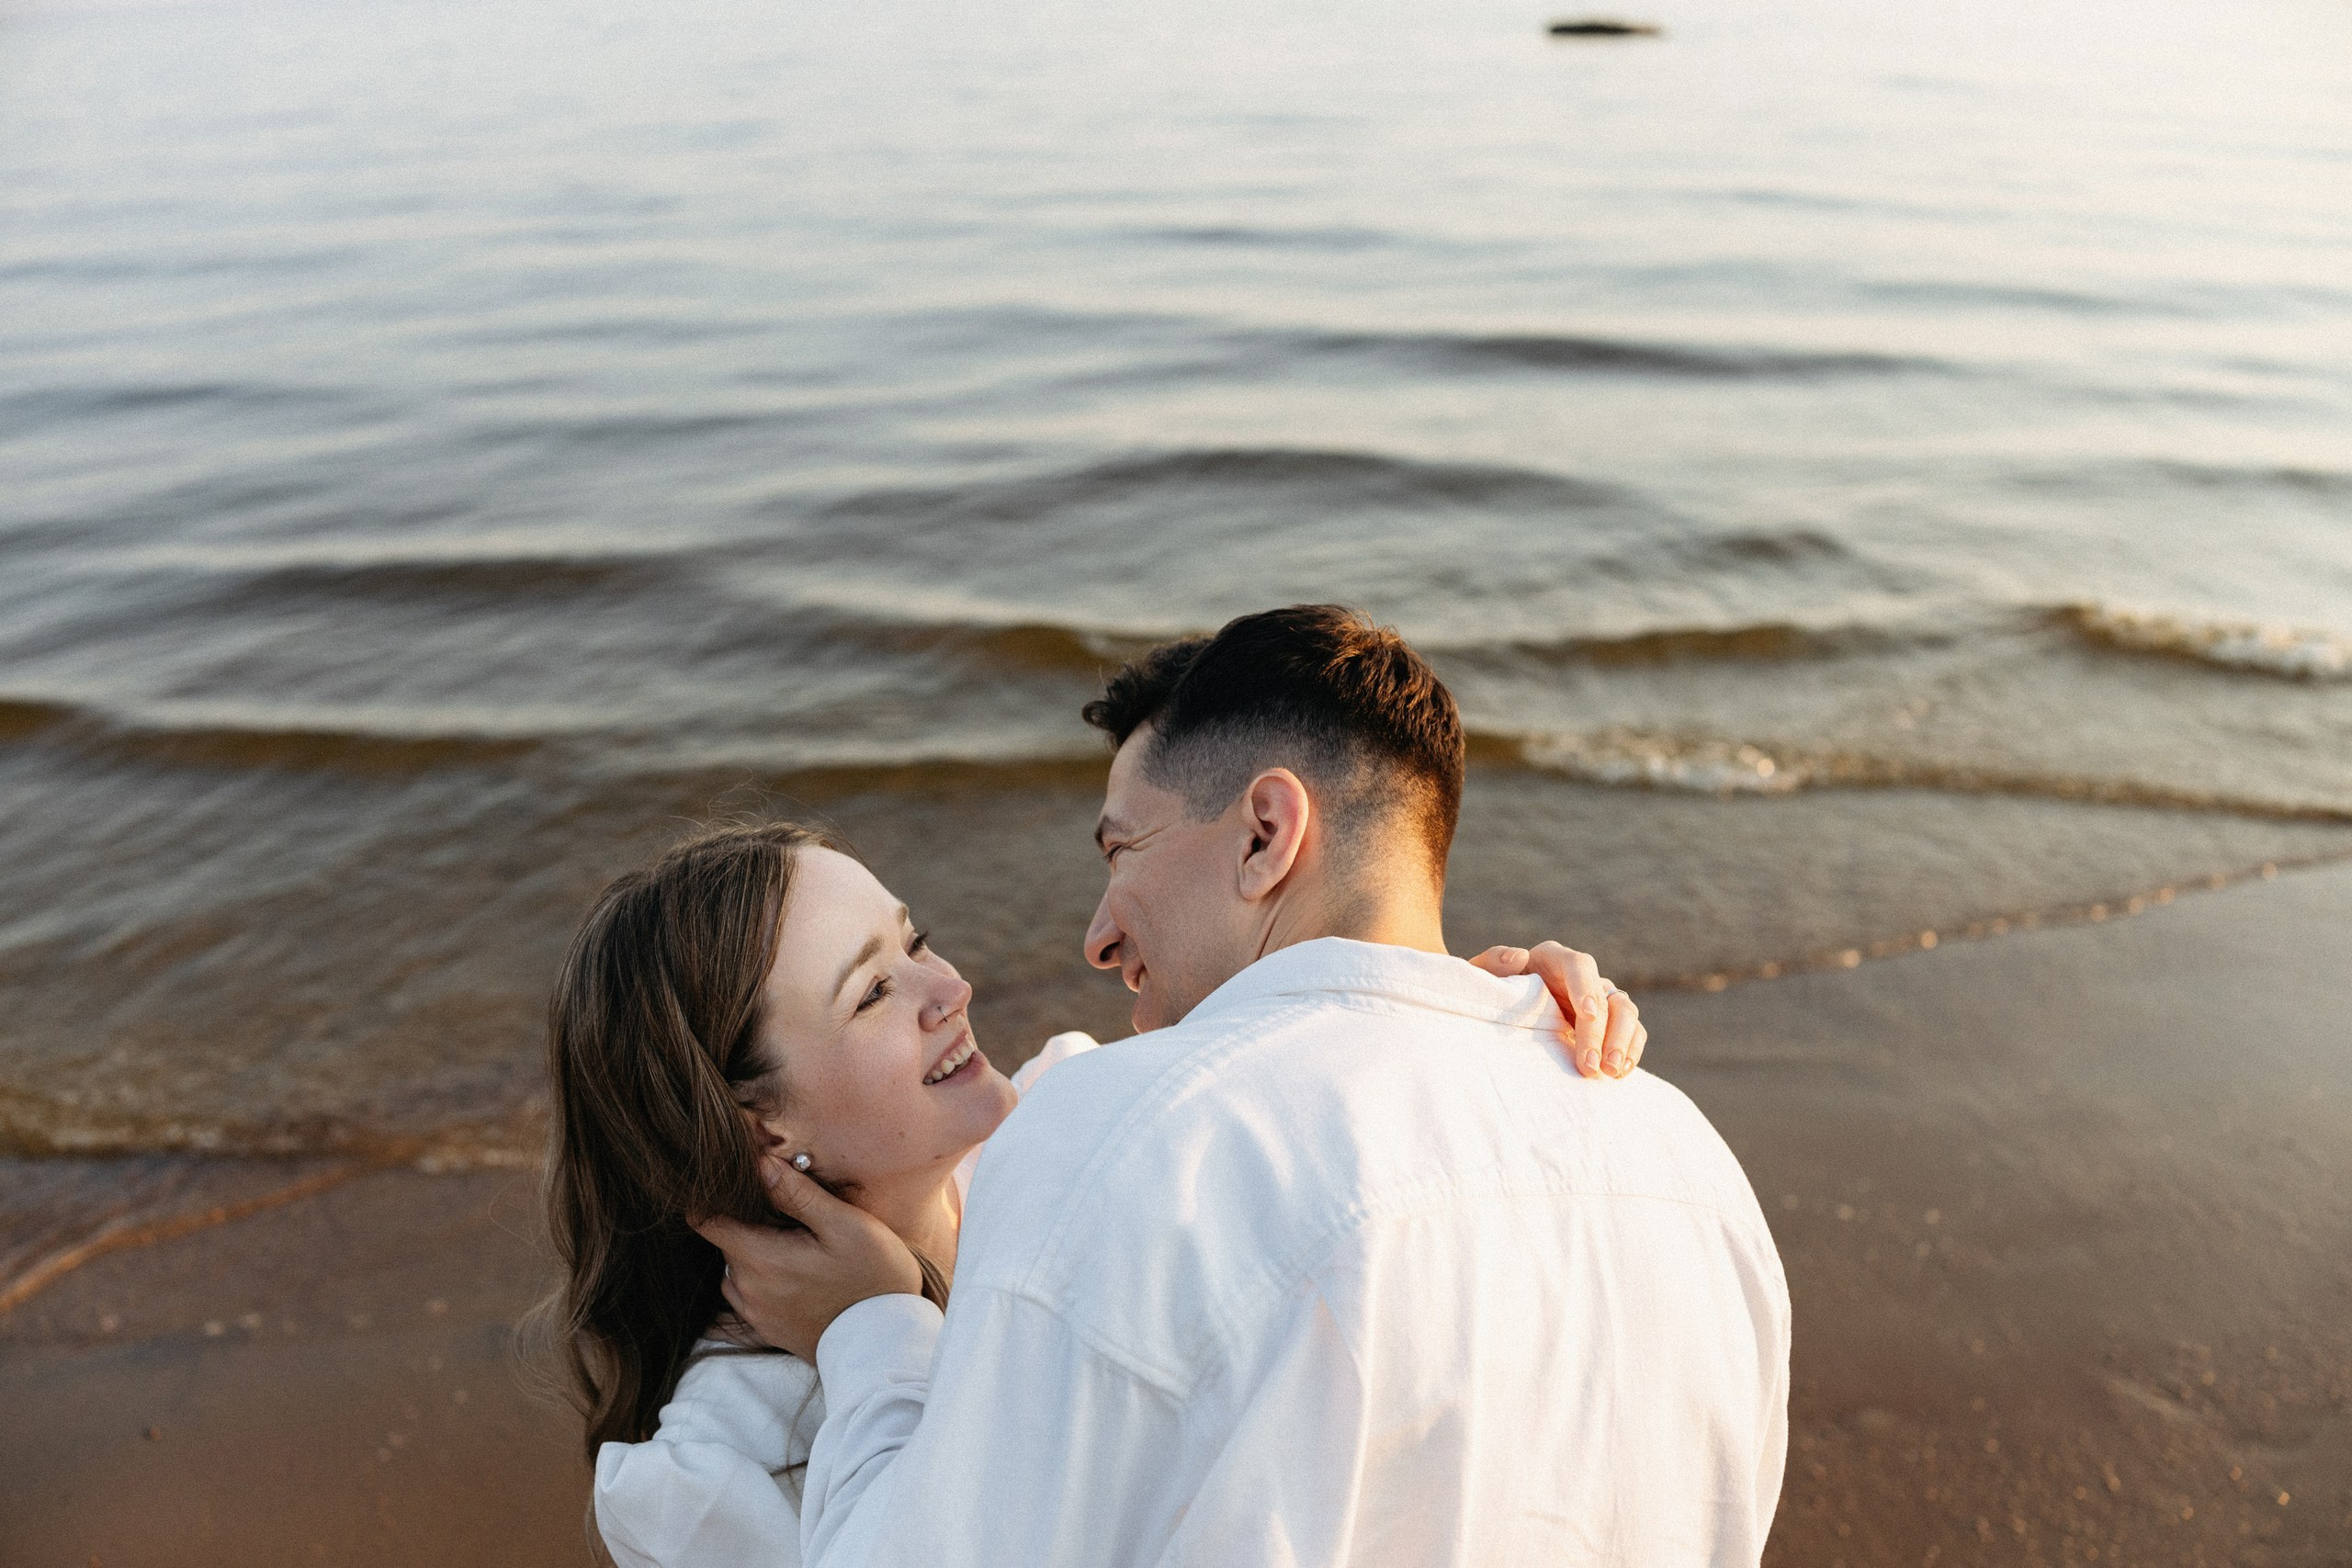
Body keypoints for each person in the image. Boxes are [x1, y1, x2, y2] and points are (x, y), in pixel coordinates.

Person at [705, 604, 1791, 1567]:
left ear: (1265, 834)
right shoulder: (1683, 1155)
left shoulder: (1131, 1139)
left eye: (1121, 852)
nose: (1098, 936)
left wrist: (872, 1330)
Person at [544, 825, 1644, 1568]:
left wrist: (1467, 1021)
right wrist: (875, 1329)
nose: (949, 988)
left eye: (916, 942)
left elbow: (1338, 1136)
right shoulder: (709, 1478)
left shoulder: (1088, 1127)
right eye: (875, 990)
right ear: (756, 1126)